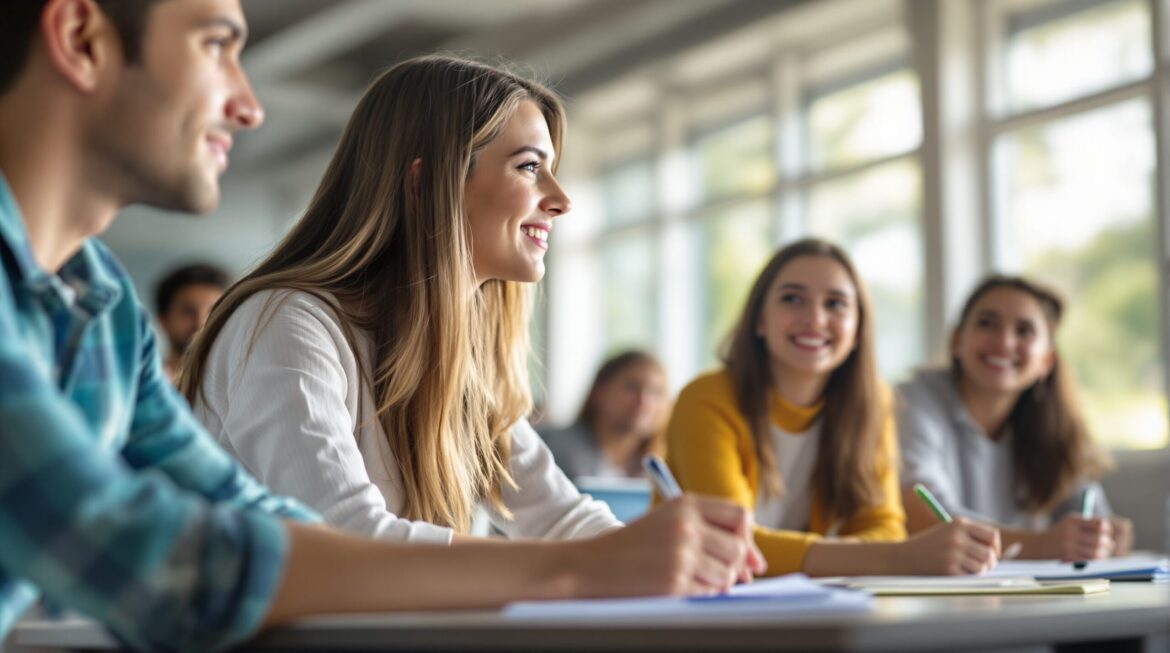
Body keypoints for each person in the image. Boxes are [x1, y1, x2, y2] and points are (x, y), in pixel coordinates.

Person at [0, 1, 761, 650]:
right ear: (80, 38)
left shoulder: (103, 307)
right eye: (216, 45)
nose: (249, 106)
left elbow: (276, 524)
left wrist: (653, 555)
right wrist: (582, 570)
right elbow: (170, 554)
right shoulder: (285, 323)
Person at [178, 56, 759, 553]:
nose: (560, 200)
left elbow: (560, 519)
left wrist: (660, 551)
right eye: (530, 167)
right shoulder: (288, 324)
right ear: (427, 184)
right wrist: (598, 566)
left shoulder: (460, 358)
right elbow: (351, 541)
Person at [666, 238, 1004, 577]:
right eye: (792, 299)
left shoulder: (873, 405)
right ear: (760, 321)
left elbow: (884, 527)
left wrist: (876, 553)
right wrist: (891, 558)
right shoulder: (706, 398)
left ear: (857, 329)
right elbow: (727, 542)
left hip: (815, 607)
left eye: (836, 304)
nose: (814, 318)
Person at [897, 275, 1133, 561]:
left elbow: (1087, 510)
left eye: (1024, 331)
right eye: (987, 324)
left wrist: (1104, 538)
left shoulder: (1053, 425)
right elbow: (921, 512)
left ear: (1046, 361)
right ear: (957, 341)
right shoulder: (914, 400)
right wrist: (1043, 545)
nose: (1004, 342)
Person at [540, 350, 669, 480]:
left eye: (656, 392)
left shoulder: (662, 467)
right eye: (632, 387)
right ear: (600, 392)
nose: (644, 401)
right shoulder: (551, 449)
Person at [155, 262, 228, 381]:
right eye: (188, 311)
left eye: (213, 312)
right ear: (163, 320)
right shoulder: (140, 390)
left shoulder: (241, 385)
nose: (200, 323)